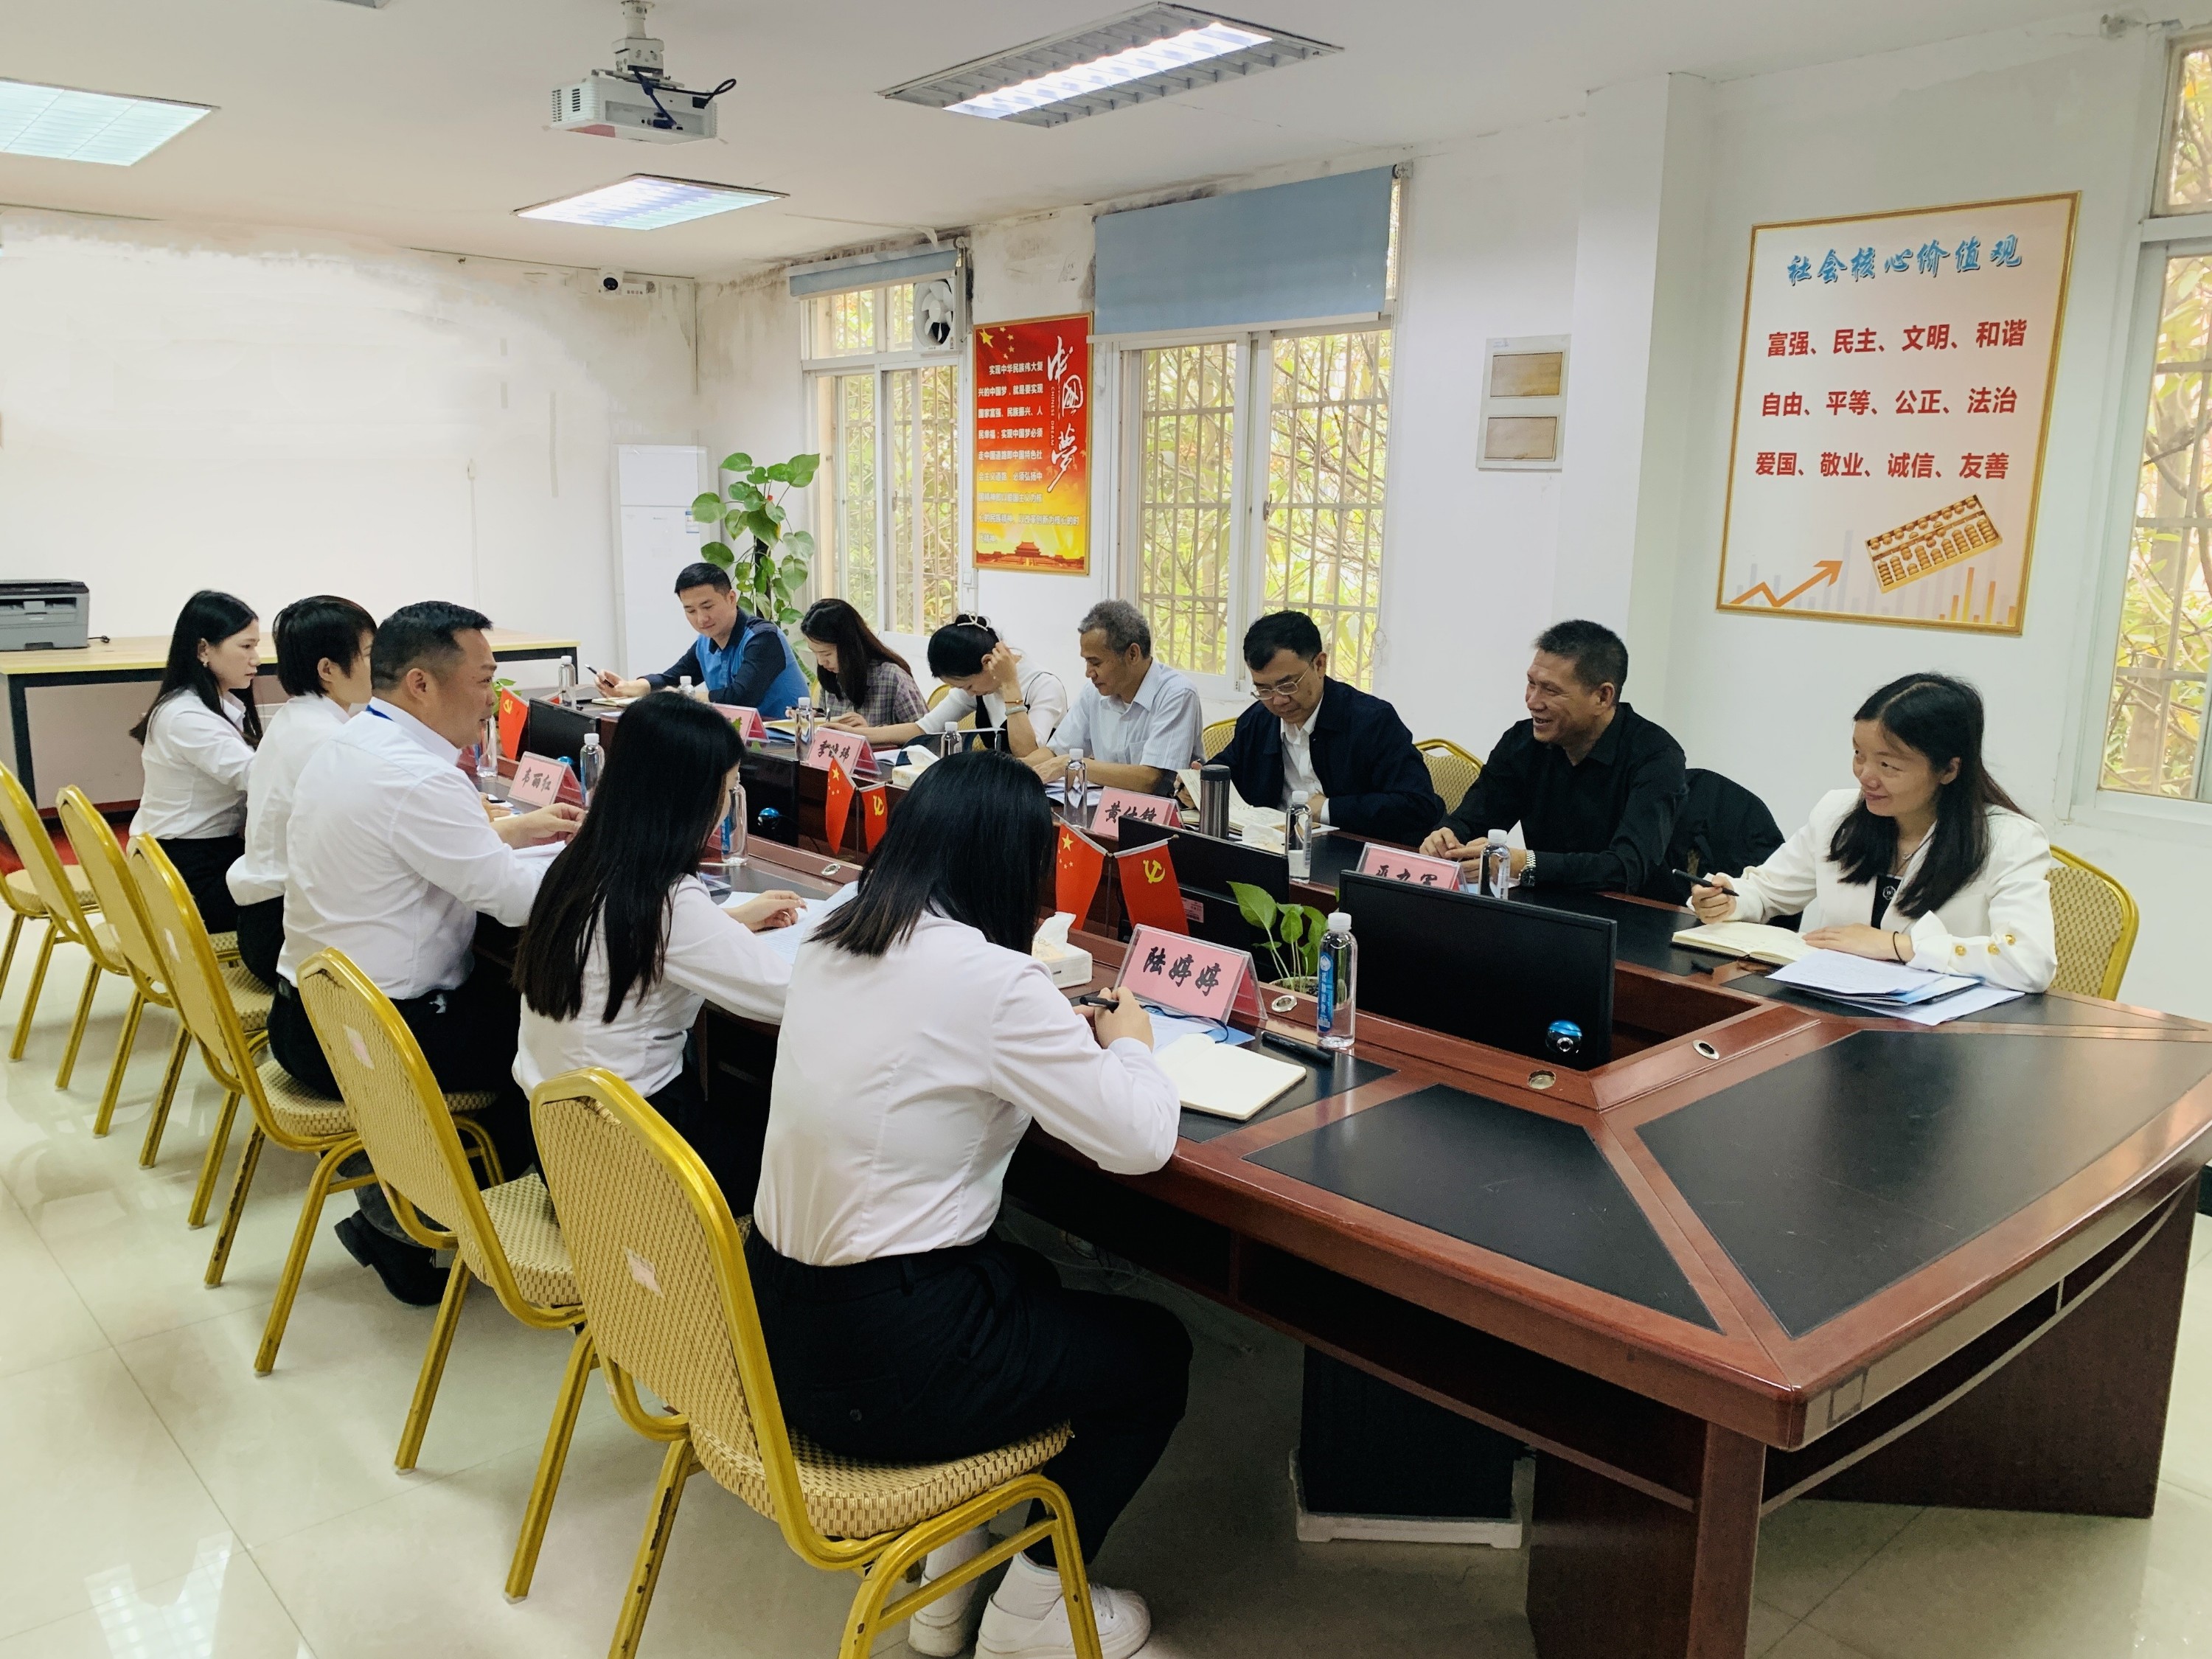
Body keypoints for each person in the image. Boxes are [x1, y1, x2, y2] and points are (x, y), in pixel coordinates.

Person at [750, 751, 1186, 1659]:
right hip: (883, 1370)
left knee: (1023, 1274)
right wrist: (1131, 1043)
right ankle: (1032, 1609)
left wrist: (1039, 1042)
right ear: (1013, 864)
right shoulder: (992, 981)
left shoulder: (835, 933)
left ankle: (944, 1587)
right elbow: (1141, 1141)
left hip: (778, 1332)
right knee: (1154, 1354)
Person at [268, 602, 582, 1304]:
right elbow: (515, 903)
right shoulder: (421, 777)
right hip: (383, 1036)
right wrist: (612, 870)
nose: (494, 698)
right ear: (420, 683)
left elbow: (407, 851)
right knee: (556, 1046)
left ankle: (403, 1215)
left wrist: (508, 837)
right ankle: (434, 1228)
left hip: (313, 1016)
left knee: (519, 1006)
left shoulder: (351, 743)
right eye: (484, 679)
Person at [514, 692, 804, 1206]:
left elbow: (628, 937)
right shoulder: (667, 898)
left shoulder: (581, 862)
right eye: (728, 790)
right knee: (801, 1158)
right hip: (635, 1162)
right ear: (690, 797)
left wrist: (728, 921)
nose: (726, 806)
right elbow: (788, 996)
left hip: (556, 1142)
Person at [1690, 674, 2056, 990]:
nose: (1866, 776)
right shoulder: (1837, 814)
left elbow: (2029, 961)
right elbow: (1767, 892)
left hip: (1940, 1034)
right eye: (1858, 755)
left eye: (1888, 765)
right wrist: (1730, 900)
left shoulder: (2010, 840)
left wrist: (1899, 946)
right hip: (1829, 1010)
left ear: (1948, 770)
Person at [1421, 619, 1686, 893]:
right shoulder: (1522, 742)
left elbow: (1625, 869)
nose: (1532, 701)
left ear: (1602, 697)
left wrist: (1523, 863)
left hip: (1629, 910)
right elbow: (1473, 819)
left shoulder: (1657, 757)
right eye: (1531, 683)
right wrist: (1447, 837)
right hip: (1542, 902)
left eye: (1551, 690)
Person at [226, 597, 376, 988]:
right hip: (285, 935)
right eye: (369, 654)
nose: (382, 665)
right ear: (328, 669)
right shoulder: (328, 740)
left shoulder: (294, 718)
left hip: (263, 920)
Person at [1214, 610, 1441, 843]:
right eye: (1264, 690)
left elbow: (1417, 804)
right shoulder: (1257, 721)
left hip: (1350, 852)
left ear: (1320, 665)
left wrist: (1327, 809)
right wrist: (1198, 785)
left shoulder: (1372, 721)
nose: (1278, 701)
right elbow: (1224, 769)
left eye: (1288, 686)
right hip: (1273, 849)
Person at [128, 591, 262, 931]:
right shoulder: (186, 716)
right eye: (246, 647)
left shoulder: (203, 704)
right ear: (204, 650)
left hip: (194, 853)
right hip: (188, 870)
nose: (256, 659)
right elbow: (256, 778)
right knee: (294, 902)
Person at [830, 612, 1068, 754]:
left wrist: (1010, 684)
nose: (969, 694)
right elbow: (923, 728)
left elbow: (1028, 754)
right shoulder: (981, 684)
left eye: (968, 687)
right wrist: (859, 734)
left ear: (988, 663)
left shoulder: (1044, 686)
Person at [593, 561, 808, 716]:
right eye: (690, 611)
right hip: (741, 742)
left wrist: (683, 696)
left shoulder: (763, 638)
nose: (701, 619)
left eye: (708, 606)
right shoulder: (705, 642)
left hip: (785, 746)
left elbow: (740, 698)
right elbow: (672, 678)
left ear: (731, 598)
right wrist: (627, 686)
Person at [1034, 600, 1203, 796]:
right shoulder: (1093, 693)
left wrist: (1072, 764)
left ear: (1132, 654)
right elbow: (1055, 752)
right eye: (1086, 662)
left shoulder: (1177, 694)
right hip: (1106, 808)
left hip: (1162, 810)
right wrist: (1012, 770)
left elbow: (1149, 780)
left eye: (1095, 663)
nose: (1089, 673)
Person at [798, 598, 927, 728]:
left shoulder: (892, 678)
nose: (821, 662)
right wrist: (815, 720)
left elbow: (925, 734)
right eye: (815, 653)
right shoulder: (831, 676)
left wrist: (868, 732)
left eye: (827, 654)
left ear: (850, 646)